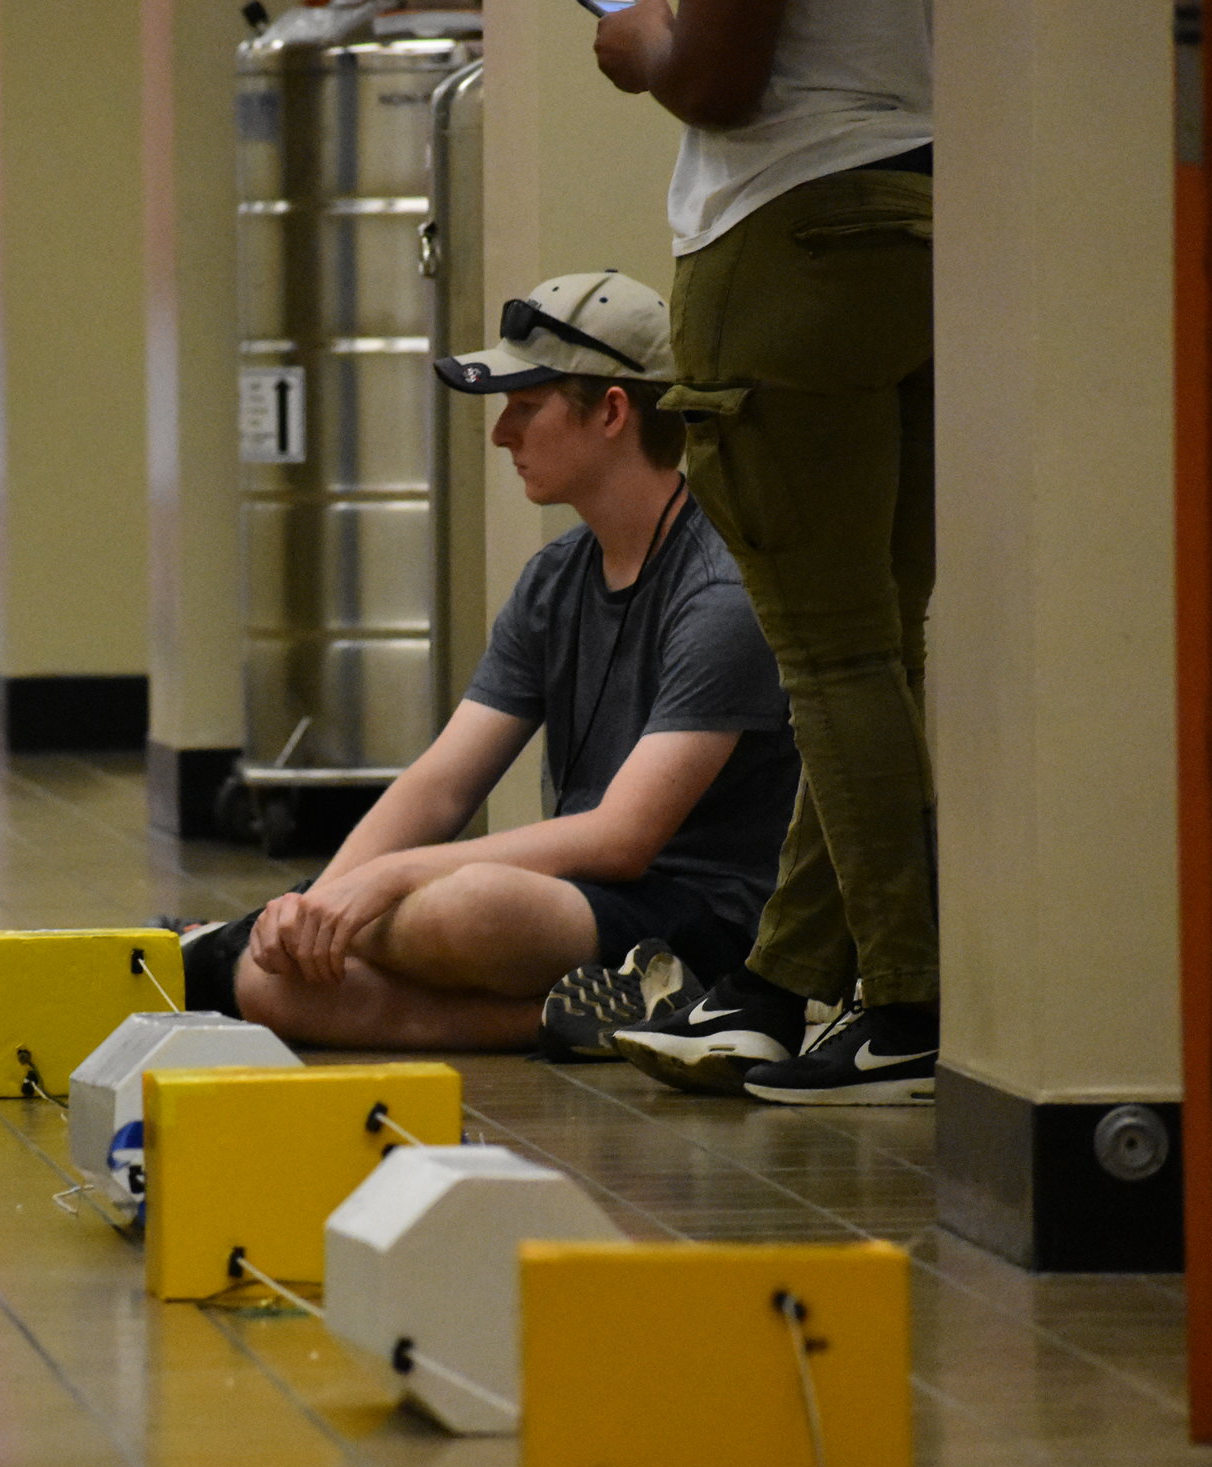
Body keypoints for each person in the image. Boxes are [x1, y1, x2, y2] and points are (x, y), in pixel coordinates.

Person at [184, 272, 800, 1056]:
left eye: (525, 405)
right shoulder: (556, 576)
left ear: (612, 411)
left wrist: (375, 885)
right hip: (579, 911)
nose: (501, 433)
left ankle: (692, 997)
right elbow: (442, 782)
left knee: (463, 908)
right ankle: (593, 1018)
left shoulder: (721, 587)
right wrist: (314, 908)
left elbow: (622, 839)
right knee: (269, 986)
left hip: (695, 919)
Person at [590, 0, 939, 1105]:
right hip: (925, 214)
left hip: (784, 222)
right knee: (876, 636)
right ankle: (775, 987)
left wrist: (637, 39)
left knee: (832, 653)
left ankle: (908, 1005)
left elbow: (717, 82)